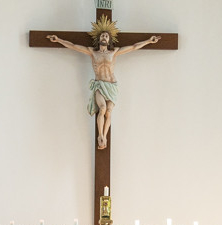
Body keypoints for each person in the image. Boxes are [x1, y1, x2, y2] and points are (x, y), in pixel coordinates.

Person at [47, 18, 161, 149]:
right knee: (102, 108)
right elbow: (73, 46)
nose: (104, 37)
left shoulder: (114, 52)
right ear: (99, 39)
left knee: (109, 112)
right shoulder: (92, 52)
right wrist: (58, 40)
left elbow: (134, 47)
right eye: (102, 35)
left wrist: (148, 41)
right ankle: (100, 135)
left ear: (109, 40)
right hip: (99, 85)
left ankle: (105, 136)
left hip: (112, 86)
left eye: (106, 36)